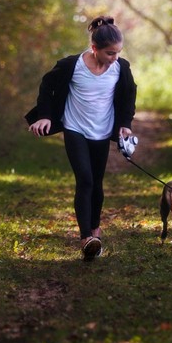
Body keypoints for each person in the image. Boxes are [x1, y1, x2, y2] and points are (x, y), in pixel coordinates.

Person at [25, 16, 137, 261]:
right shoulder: (71, 65)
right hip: (74, 128)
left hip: (102, 130)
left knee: (97, 182)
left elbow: (129, 95)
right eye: (109, 53)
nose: (114, 58)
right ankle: (86, 237)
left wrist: (125, 125)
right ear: (94, 48)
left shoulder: (121, 68)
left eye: (118, 52)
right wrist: (44, 116)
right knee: (85, 179)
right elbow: (47, 85)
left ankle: (95, 231)